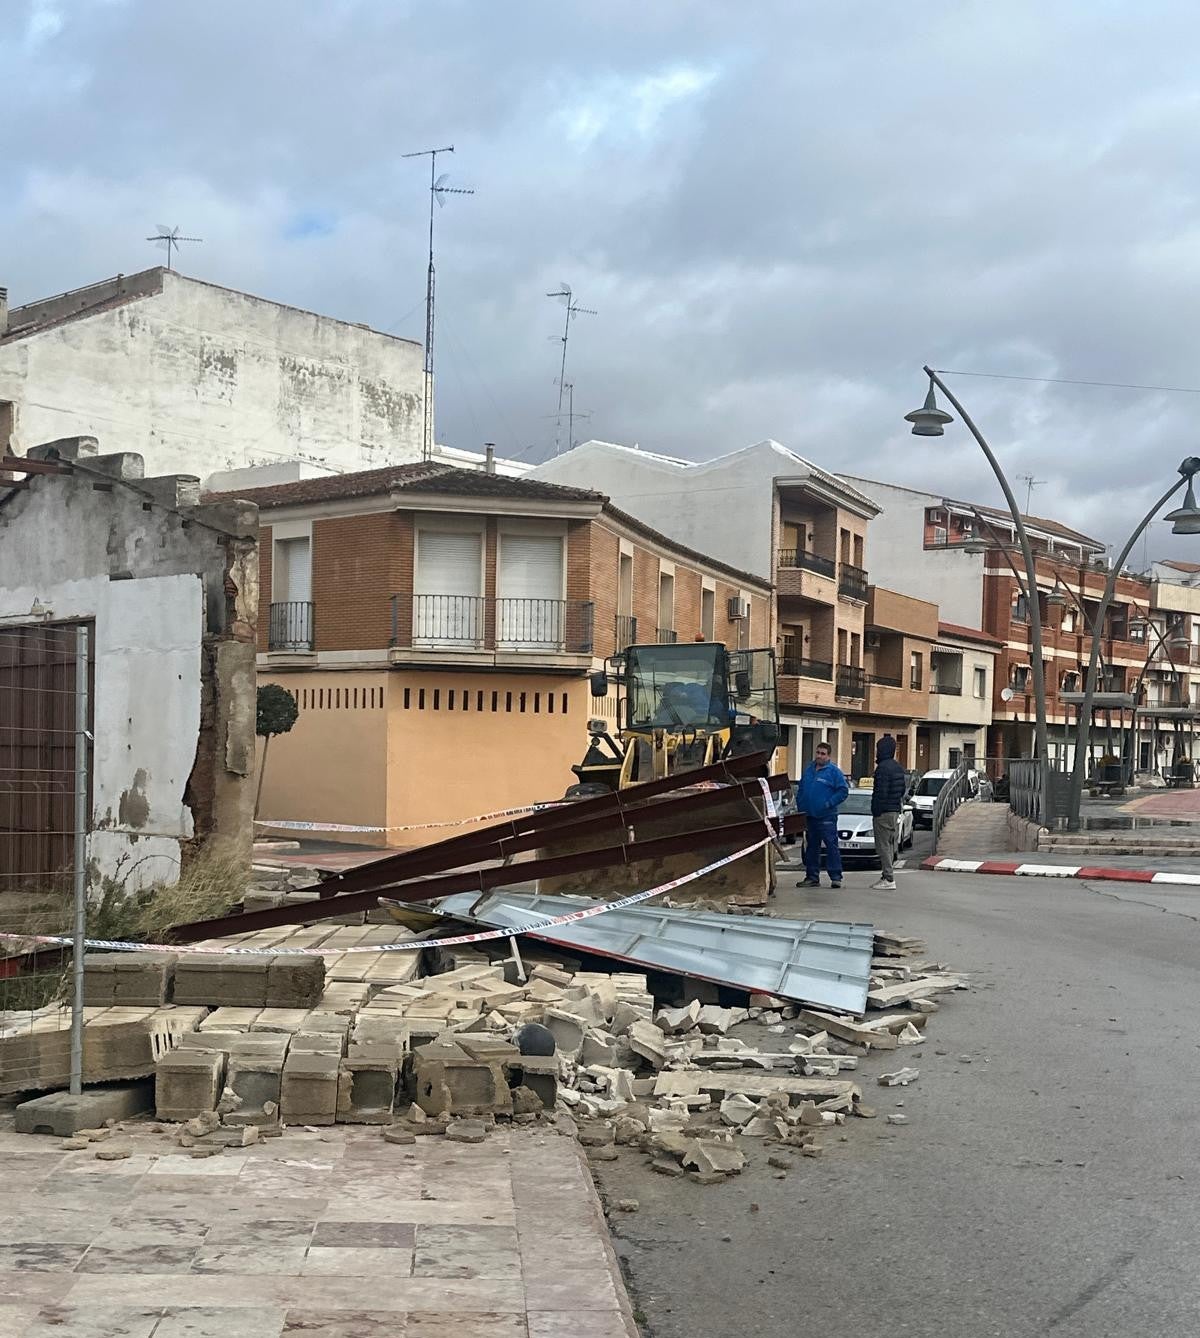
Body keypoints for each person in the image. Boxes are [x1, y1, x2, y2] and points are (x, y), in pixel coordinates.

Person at [798, 742, 850, 889]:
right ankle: (812, 877)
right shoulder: (809, 770)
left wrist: (829, 803)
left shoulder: (834, 772)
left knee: (831, 846)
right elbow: (802, 788)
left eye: (823, 754)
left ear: (828, 756)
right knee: (811, 847)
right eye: (818, 753)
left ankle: (836, 877)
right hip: (810, 816)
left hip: (827, 817)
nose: (819, 756)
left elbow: (843, 791)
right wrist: (800, 805)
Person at [871, 734, 907, 891]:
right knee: (891, 844)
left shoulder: (883, 768)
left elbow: (881, 792)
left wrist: (876, 810)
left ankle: (888, 877)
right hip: (895, 810)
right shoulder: (897, 767)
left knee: (883, 846)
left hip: (883, 811)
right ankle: (886, 875)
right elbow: (902, 789)